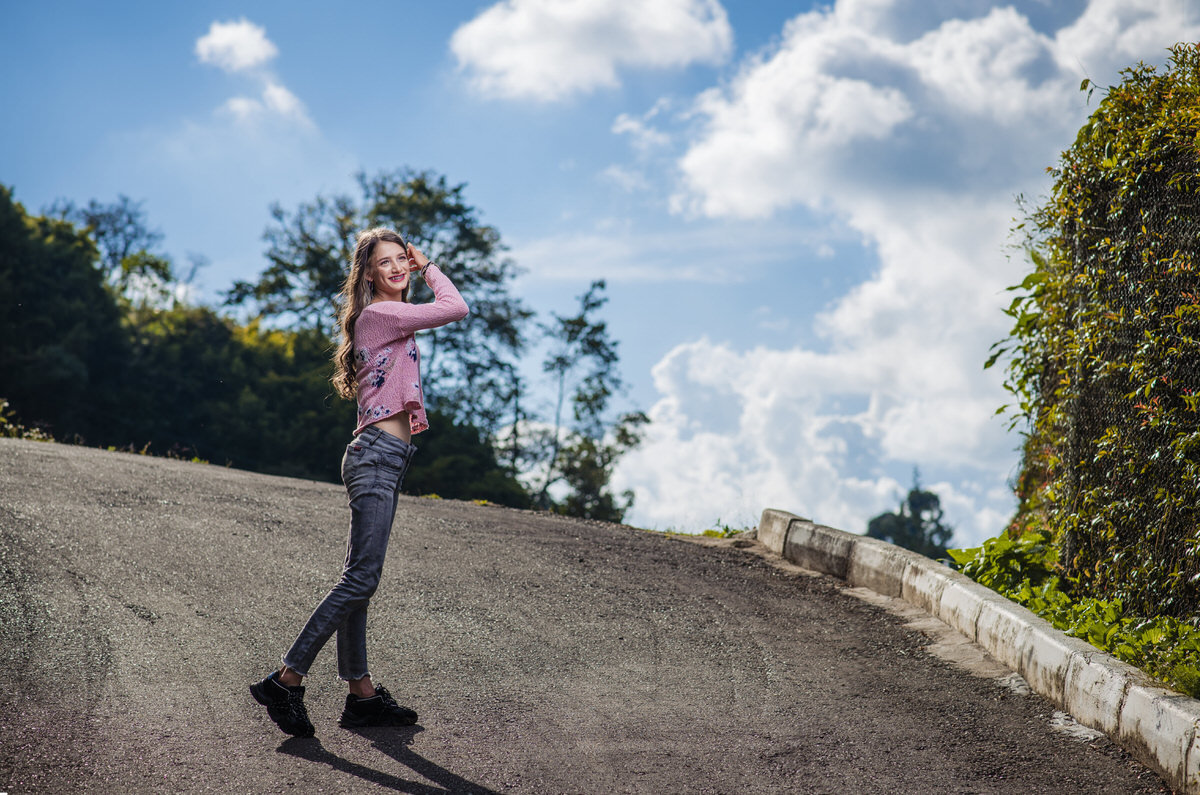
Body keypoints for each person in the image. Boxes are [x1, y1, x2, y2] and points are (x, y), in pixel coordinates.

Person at [250, 227, 469, 737]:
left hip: (386, 458)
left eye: (401, 260)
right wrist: (427, 265)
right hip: (376, 456)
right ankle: (285, 679)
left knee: (359, 580)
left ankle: (362, 696)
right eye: (385, 262)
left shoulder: (392, 319)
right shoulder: (380, 315)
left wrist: (416, 267)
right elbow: (455, 307)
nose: (396, 268)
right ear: (368, 274)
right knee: (360, 579)